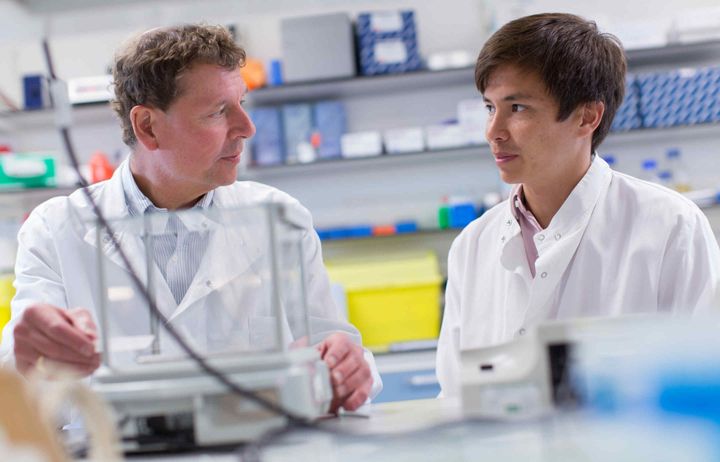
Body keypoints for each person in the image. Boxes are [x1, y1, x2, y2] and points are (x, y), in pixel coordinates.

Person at [0, 24, 380, 412]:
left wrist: (347, 371)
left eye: (241, 105)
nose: (247, 129)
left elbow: (336, 350)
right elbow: (14, 383)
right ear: (147, 126)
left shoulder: (281, 218)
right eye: (218, 112)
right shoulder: (54, 230)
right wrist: (31, 358)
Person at [436, 13, 720, 396]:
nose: (493, 131)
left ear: (587, 116)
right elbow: (455, 396)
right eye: (490, 107)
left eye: (517, 107)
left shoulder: (670, 226)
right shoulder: (472, 245)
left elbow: (704, 390)